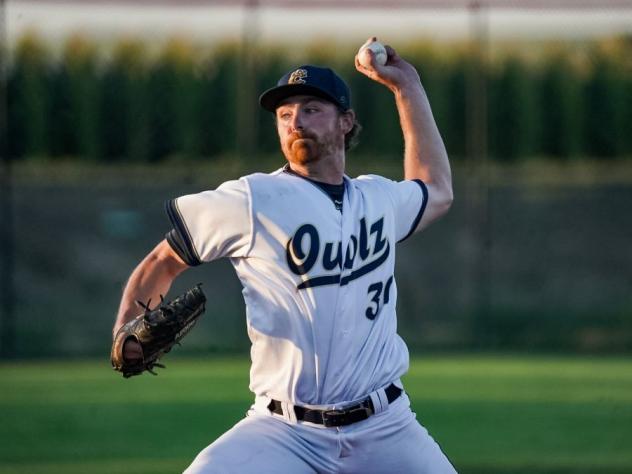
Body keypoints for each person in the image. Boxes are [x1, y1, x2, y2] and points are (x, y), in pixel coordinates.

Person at [113, 37, 456, 473]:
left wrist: (408, 87)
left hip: (385, 427)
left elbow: (437, 190)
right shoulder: (252, 198)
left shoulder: (380, 200)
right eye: (284, 114)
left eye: (311, 109)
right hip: (284, 432)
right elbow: (163, 260)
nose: (296, 122)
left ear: (346, 121)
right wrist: (125, 330)